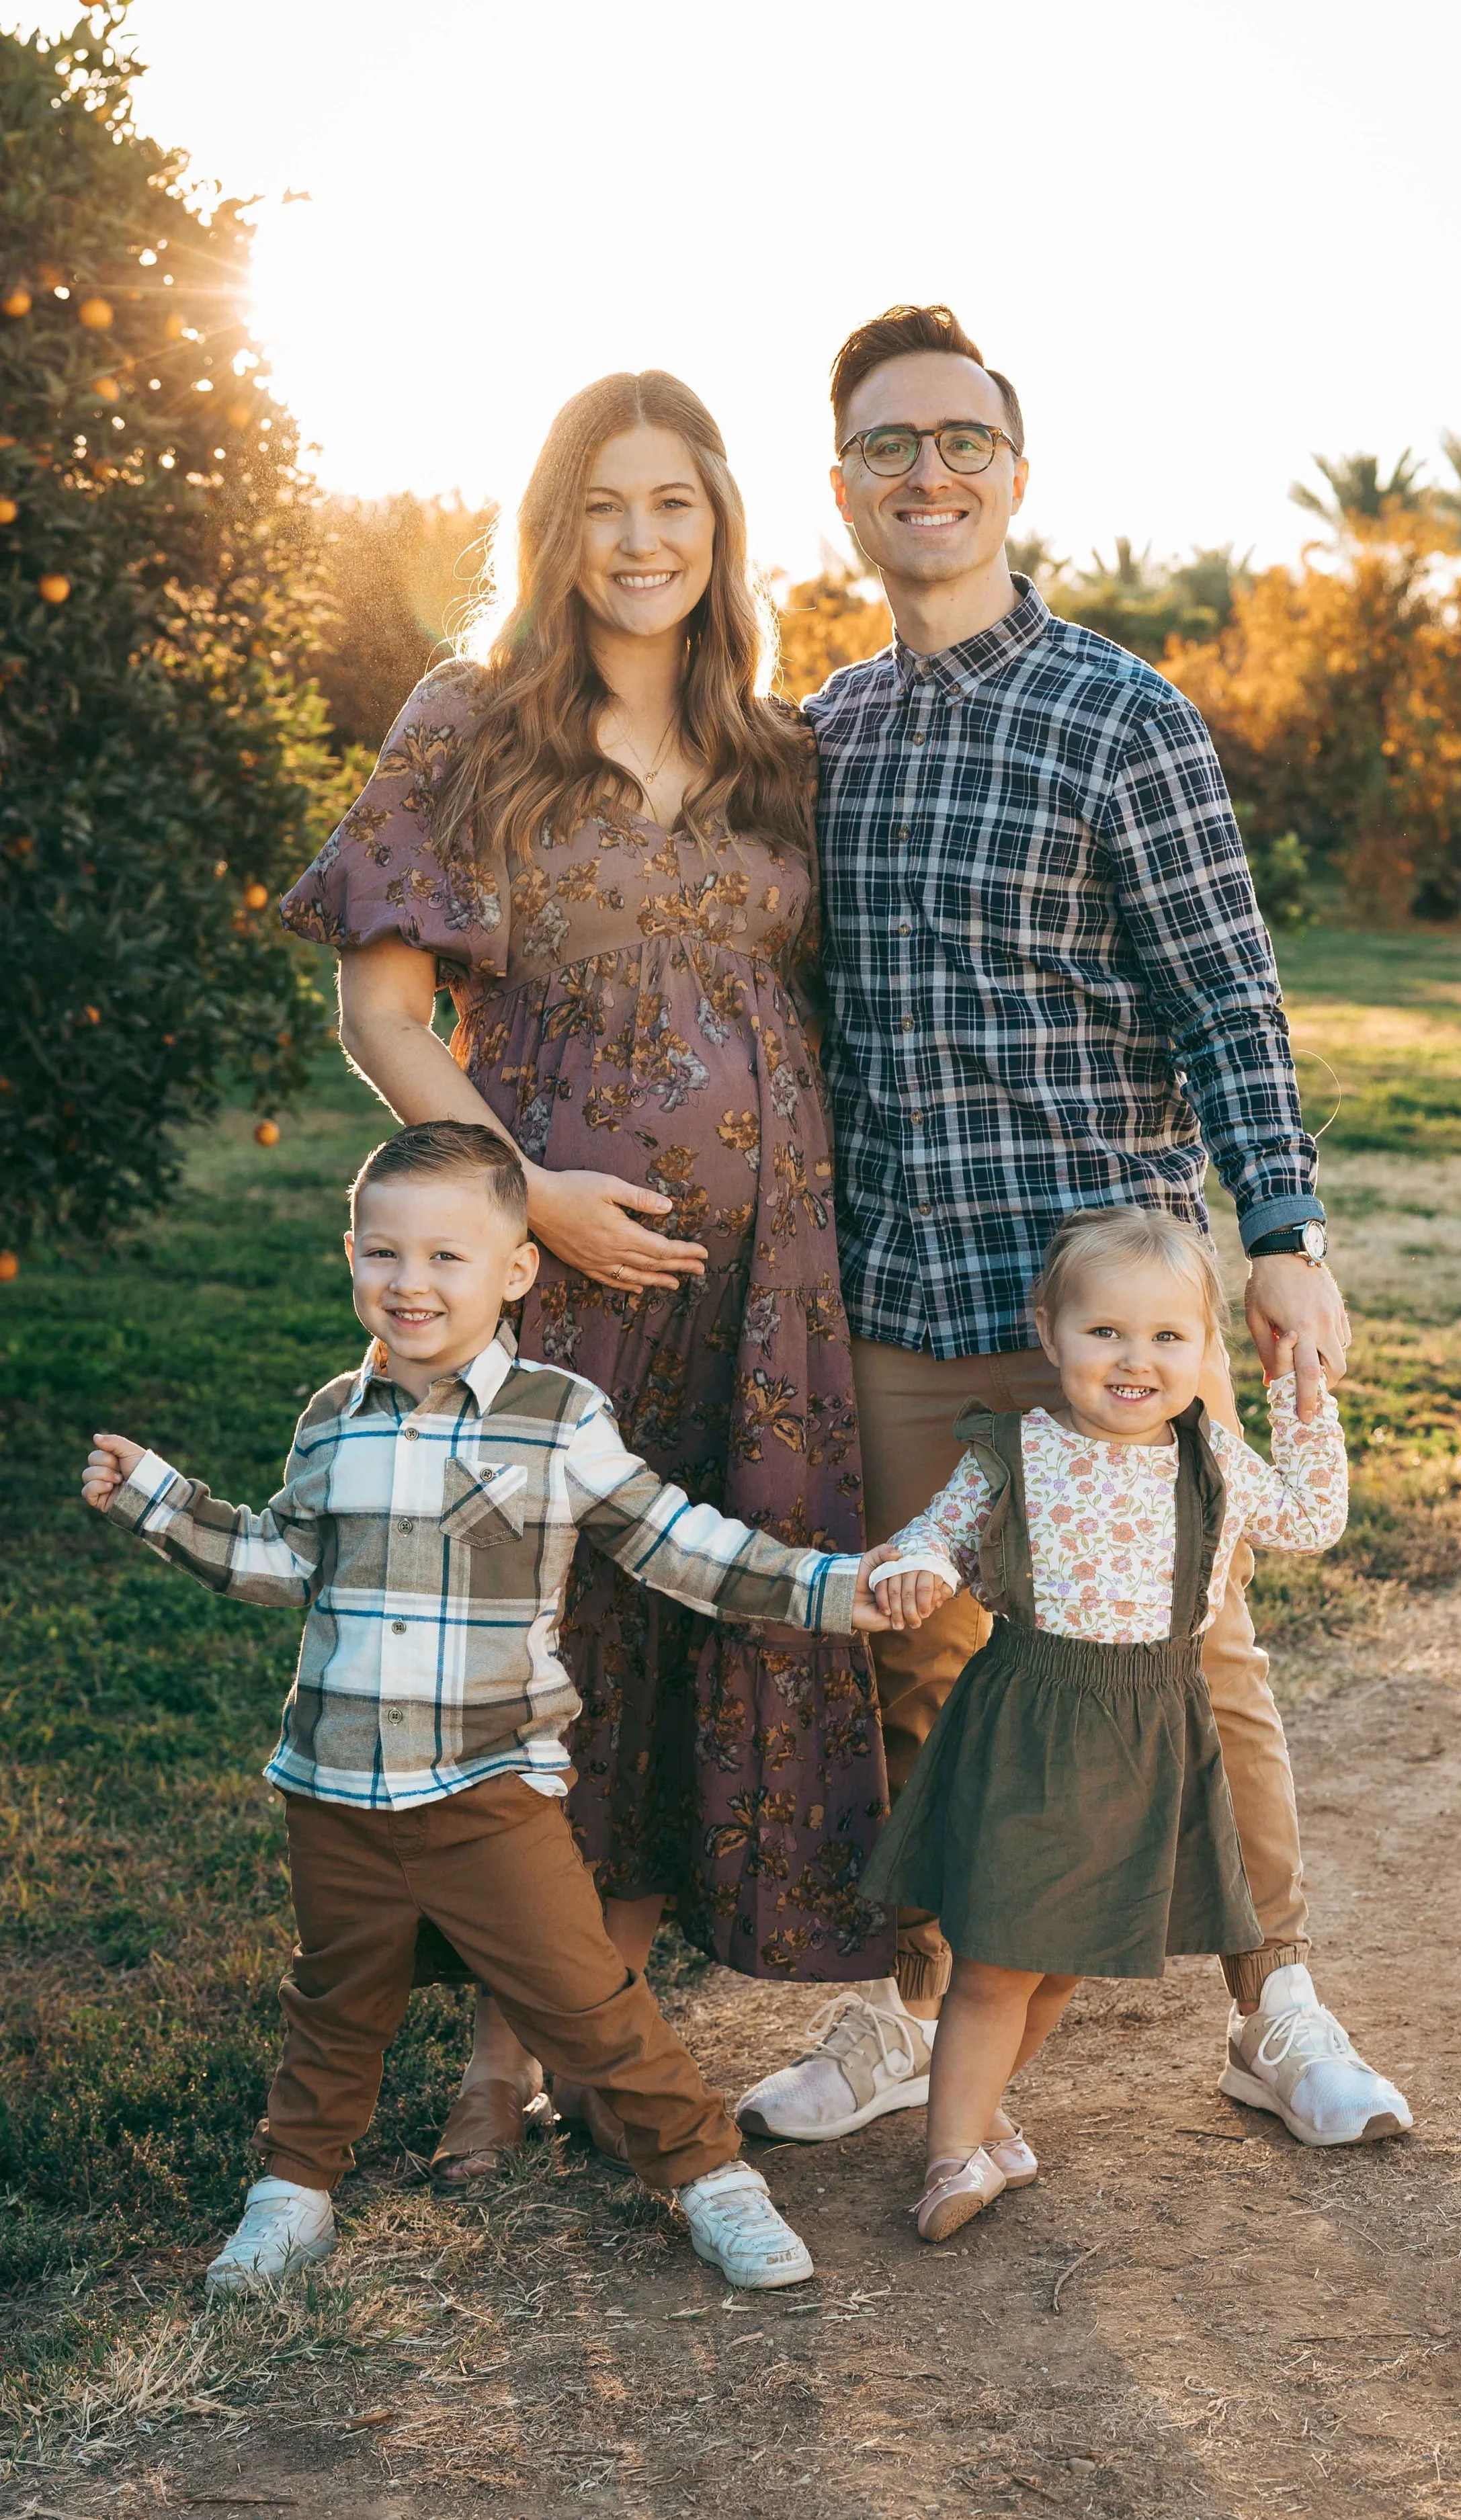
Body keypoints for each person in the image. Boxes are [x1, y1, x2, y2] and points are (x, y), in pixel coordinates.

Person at [736, 303, 1413, 2152]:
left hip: (1115, 1311)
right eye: (889, 445)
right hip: (907, 1287)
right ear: (842, 488)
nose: (927, 472)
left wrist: (1281, 1230)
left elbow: (1225, 995)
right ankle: (911, 2008)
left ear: (1014, 473)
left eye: (960, 439)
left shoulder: (1123, 715)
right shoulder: (821, 736)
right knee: (918, 1661)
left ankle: (1272, 2005)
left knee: (1196, 1659)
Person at [281, 372, 892, 2181]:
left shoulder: (776, 747)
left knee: (689, 1622)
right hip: (555, 1260)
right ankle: (503, 2052)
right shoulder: (471, 722)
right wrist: (531, 1200)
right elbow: (382, 1008)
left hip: (767, 1283)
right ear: (555, 528)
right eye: (605, 504)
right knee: (550, 1634)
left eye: (674, 504)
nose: (641, 539)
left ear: (719, 527)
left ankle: (594, 2032)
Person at [79, 1122, 896, 2296]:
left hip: (487, 1786)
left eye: (446, 1257)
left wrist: (828, 1587)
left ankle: (711, 2176)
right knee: (334, 2002)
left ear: (516, 1270)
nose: (410, 1282)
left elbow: (674, 1543)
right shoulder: (334, 1416)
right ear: (351, 1256)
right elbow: (282, 1561)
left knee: (587, 2000)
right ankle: (293, 2192)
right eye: (383, 1253)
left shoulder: (557, 1416)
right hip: (337, 1787)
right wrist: (160, 1501)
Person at [861, 1208, 1374, 2240]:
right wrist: (915, 1564)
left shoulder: (1211, 1458)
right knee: (997, 1956)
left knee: (1062, 1960)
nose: (1136, 1359)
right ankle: (951, 2155)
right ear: (1048, 1333)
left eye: (1168, 1336)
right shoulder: (1015, 1451)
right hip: (1028, 1733)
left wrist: (1302, 1399)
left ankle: (984, 2113)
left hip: (1147, 1741)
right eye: (1105, 1332)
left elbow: (1312, 1520)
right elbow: (939, 1534)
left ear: (1204, 1348)